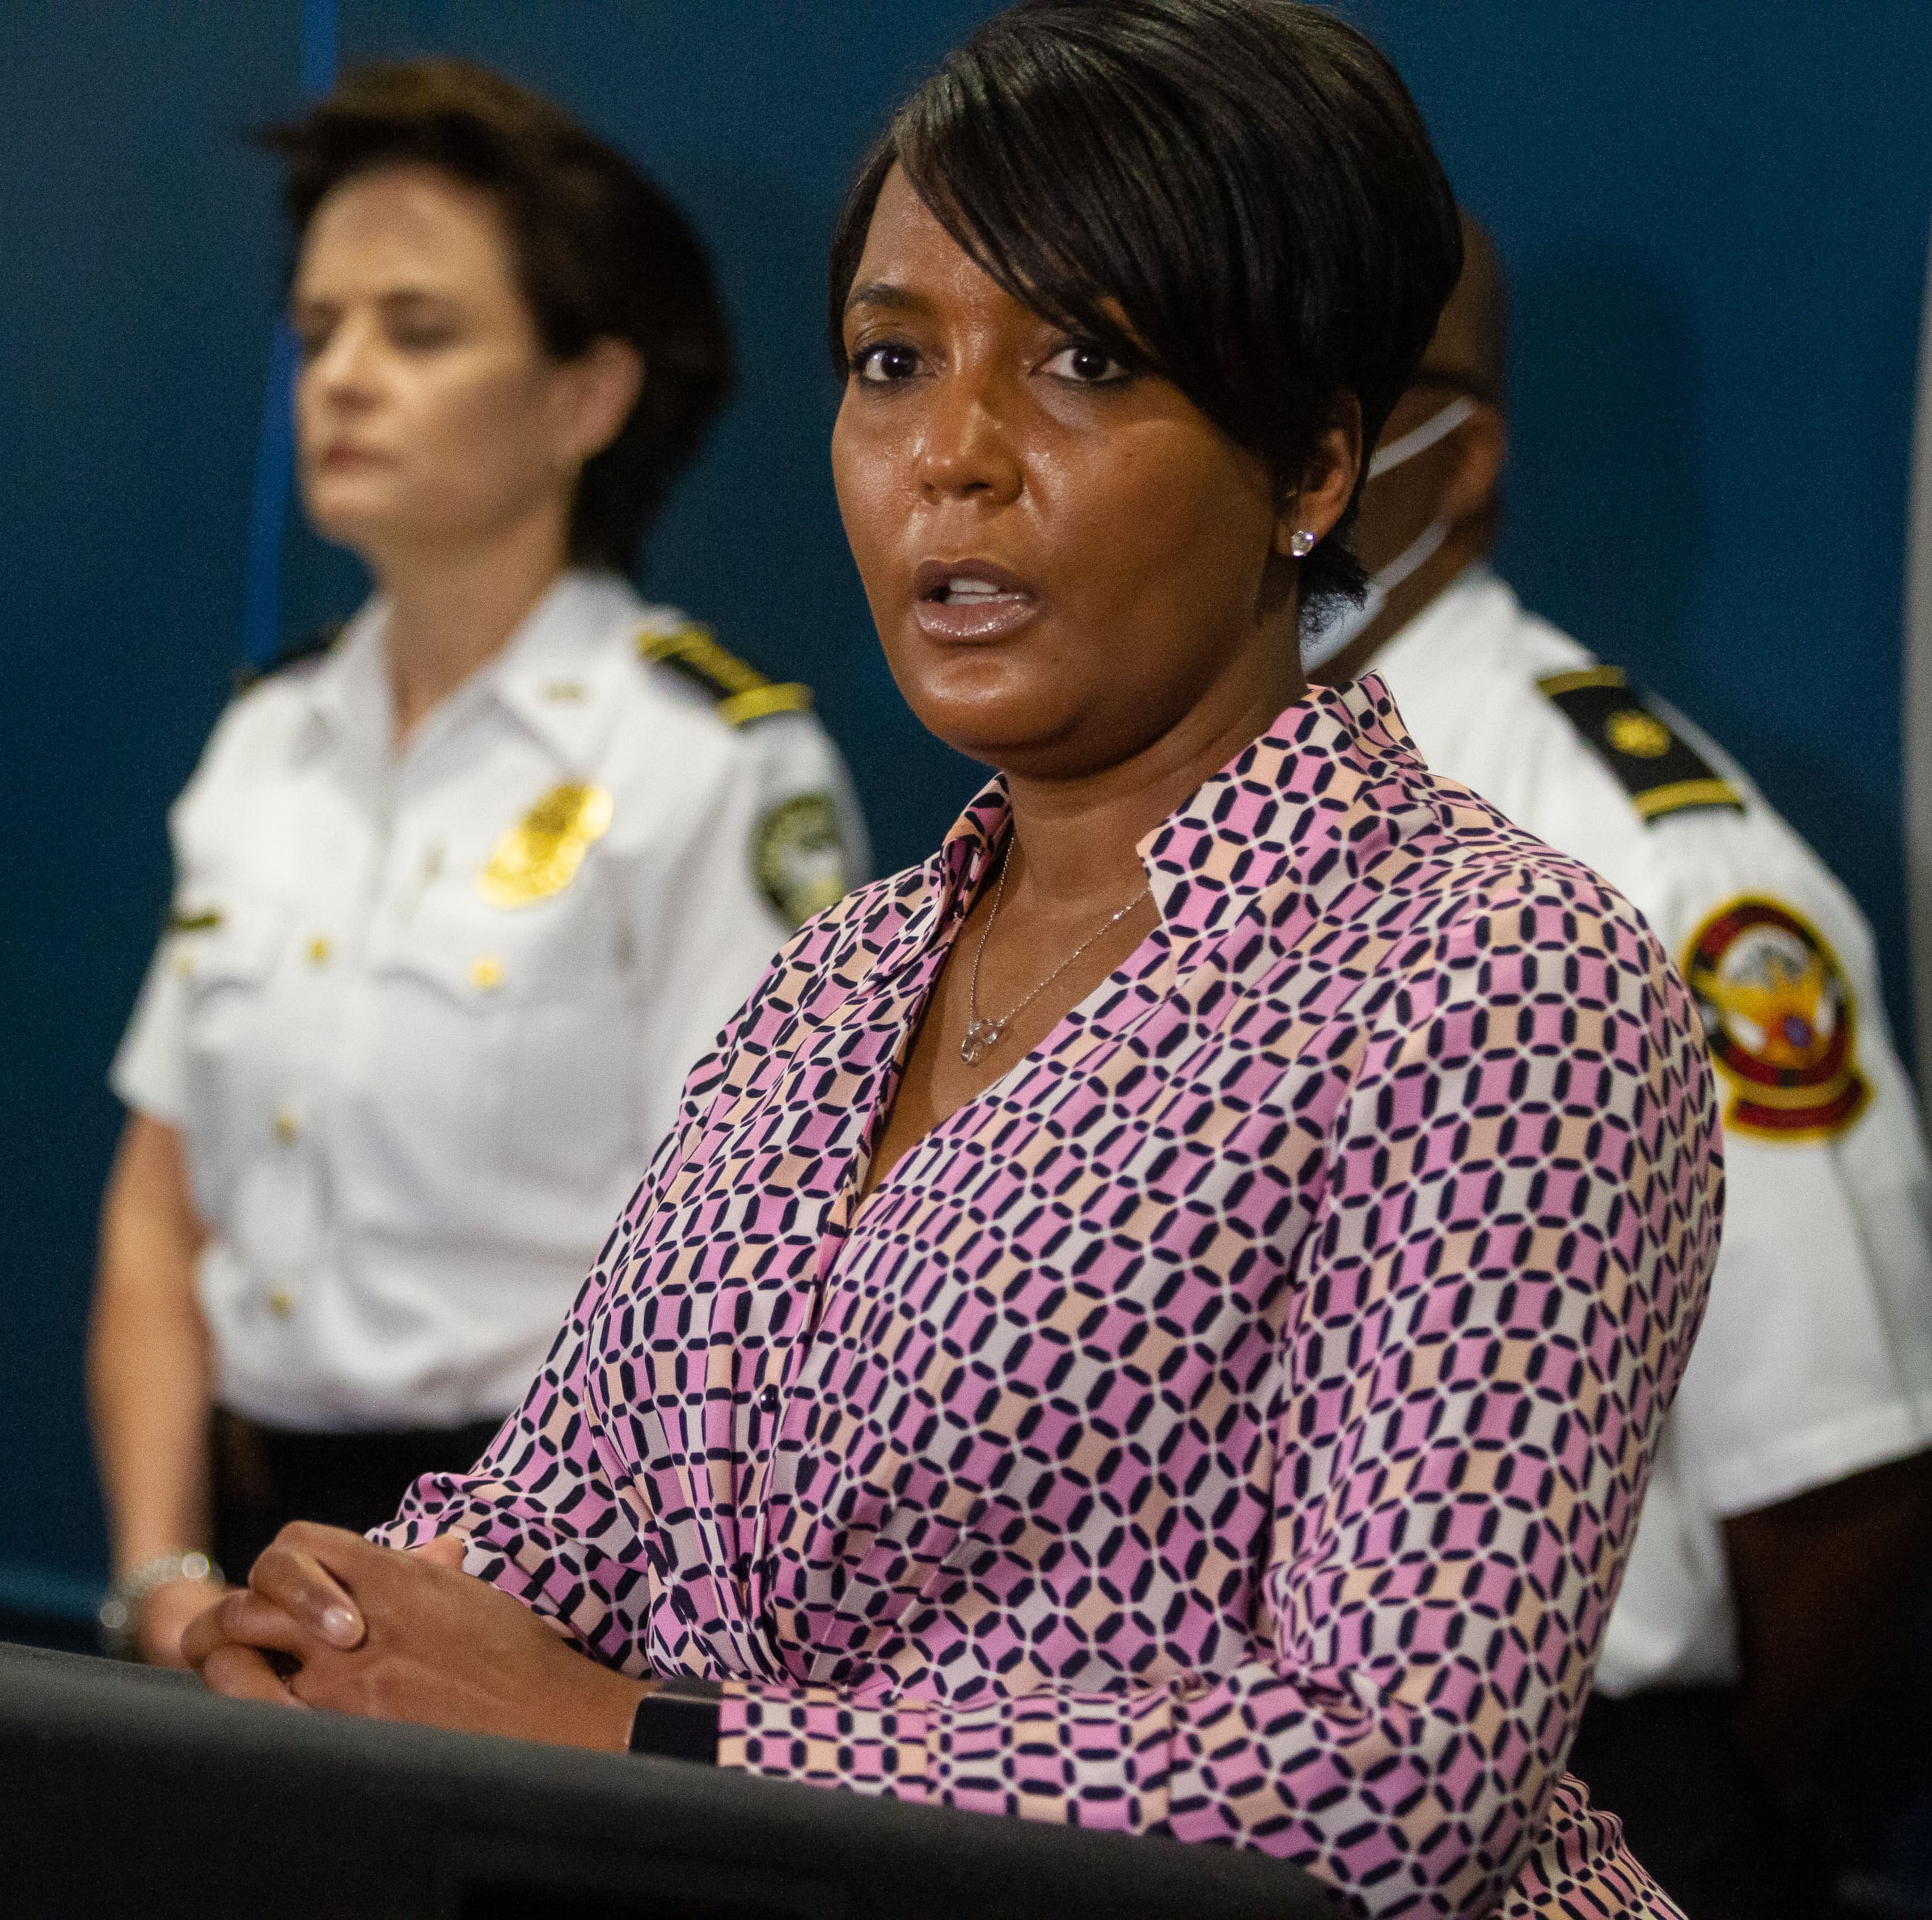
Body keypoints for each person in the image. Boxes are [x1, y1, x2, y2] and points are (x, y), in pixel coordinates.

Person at [183, 7, 1722, 1913]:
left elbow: (1387, 1784)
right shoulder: (835, 984)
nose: (956, 459)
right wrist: (307, 1634)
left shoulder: (1499, 978)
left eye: (1086, 359)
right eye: (893, 361)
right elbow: (558, 1512)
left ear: (1314, 463)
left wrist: (641, 1737)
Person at [86, 58, 868, 1668]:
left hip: (552, 1587)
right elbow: (158, 1211)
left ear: (587, 395)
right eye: (319, 334)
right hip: (238, 1559)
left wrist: (467, 1608)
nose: (344, 379)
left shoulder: (710, 763)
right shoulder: (268, 737)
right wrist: (163, 1575)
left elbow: (745, 1287)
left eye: (417, 331)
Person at [1310, 218, 1932, 1916]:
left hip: (1579, 1810)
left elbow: (1837, 1484)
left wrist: (1695, 1817)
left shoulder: (1664, 871)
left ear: (1458, 454)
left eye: (1310, 401)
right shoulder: (1111, 824)